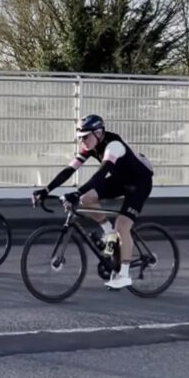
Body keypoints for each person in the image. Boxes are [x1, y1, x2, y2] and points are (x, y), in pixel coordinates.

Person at [32, 114, 154, 290]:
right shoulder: (90, 145)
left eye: (85, 137)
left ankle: (124, 274)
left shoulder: (114, 146)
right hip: (121, 180)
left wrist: (76, 192)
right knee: (86, 199)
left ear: (98, 133)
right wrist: (46, 190)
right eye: (80, 138)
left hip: (139, 183)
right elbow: (69, 170)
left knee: (123, 225)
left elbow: (100, 174)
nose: (83, 142)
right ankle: (109, 232)